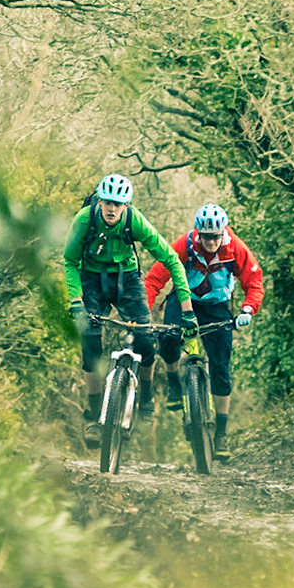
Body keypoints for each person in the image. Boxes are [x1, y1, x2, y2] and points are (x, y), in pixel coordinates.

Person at [65, 174, 196, 426]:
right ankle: (94, 412)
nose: (112, 209)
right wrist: (76, 300)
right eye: (107, 202)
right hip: (91, 280)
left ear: (126, 205)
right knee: (90, 346)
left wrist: (187, 309)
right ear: (100, 201)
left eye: (118, 204)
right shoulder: (84, 220)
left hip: (127, 279)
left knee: (145, 342)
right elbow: (70, 261)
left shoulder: (134, 221)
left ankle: (146, 399)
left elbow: (172, 260)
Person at [145, 203, 264, 460]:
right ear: (198, 232)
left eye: (215, 236)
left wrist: (247, 309)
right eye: (206, 236)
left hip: (217, 305)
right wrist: (144, 309)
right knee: (168, 338)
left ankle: (220, 433)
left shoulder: (235, 248)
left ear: (223, 232)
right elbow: (154, 279)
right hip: (183, 299)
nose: (211, 242)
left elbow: (254, 281)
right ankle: (174, 383)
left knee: (221, 367)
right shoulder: (184, 246)